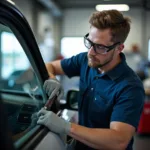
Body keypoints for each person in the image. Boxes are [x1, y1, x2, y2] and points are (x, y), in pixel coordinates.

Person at [37, 10, 145, 150]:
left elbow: (119, 140)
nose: (91, 52)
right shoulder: (86, 60)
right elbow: (49, 66)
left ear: (119, 48)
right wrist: (52, 79)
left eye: (100, 47)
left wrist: (66, 127)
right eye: (89, 42)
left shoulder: (130, 87)